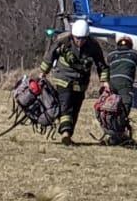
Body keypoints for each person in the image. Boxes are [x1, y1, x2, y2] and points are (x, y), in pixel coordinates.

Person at [41, 18, 109, 146]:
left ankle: (68, 134)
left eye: (82, 39)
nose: (80, 41)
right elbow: (50, 55)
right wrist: (43, 72)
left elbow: (101, 64)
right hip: (63, 77)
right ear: (73, 35)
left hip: (81, 81)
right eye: (77, 38)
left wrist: (104, 81)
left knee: (75, 108)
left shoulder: (93, 46)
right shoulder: (64, 41)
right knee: (65, 104)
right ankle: (65, 132)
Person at [101, 35, 137, 146]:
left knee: (110, 108)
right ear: (130, 45)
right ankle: (117, 133)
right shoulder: (135, 54)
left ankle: (111, 129)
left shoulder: (111, 55)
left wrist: (105, 82)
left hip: (111, 84)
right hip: (125, 84)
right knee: (124, 107)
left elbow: (105, 68)